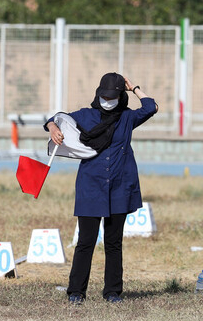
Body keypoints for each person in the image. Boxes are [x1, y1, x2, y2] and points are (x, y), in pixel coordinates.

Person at [44, 72, 157, 305]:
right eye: (104, 96)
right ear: (98, 94)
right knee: (85, 241)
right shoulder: (85, 115)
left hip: (119, 187)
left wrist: (134, 87)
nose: (107, 100)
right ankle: (76, 291)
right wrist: (52, 126)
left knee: (114, 242)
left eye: (112, 96)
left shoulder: (127, 117)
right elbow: (56, 117)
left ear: (120, 96)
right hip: (91, 187)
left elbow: (151, 106)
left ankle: (113, 292)